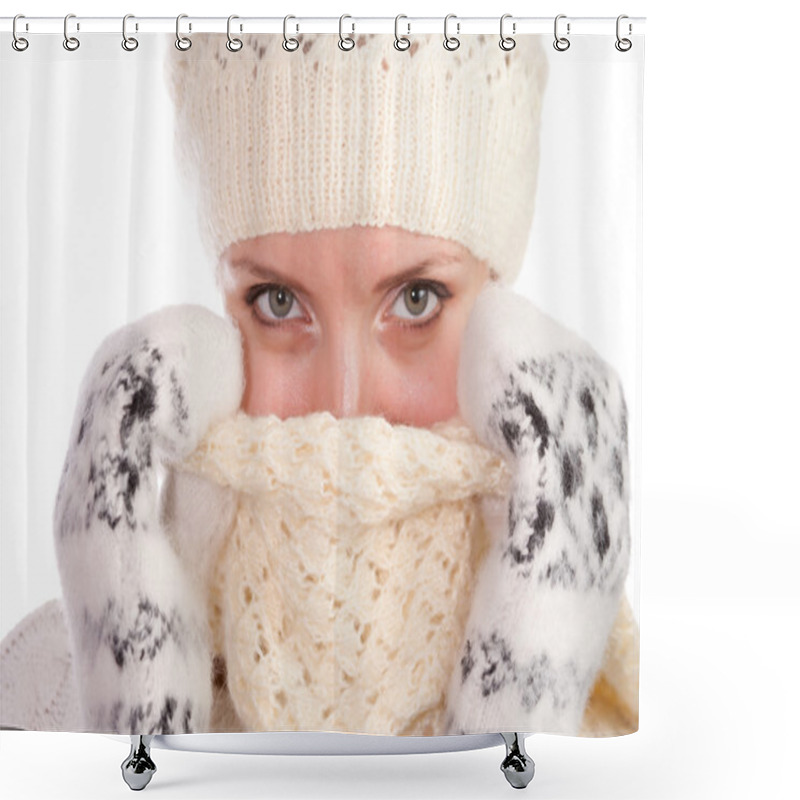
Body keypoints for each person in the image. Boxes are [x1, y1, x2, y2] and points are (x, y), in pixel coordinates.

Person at [0, 31, 638, 738]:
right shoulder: (44, 691)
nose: (344, 407)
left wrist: (535, 677)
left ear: (504, 331)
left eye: (417, 299)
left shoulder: (647, 728)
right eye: (278, 303)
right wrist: (133, 693)